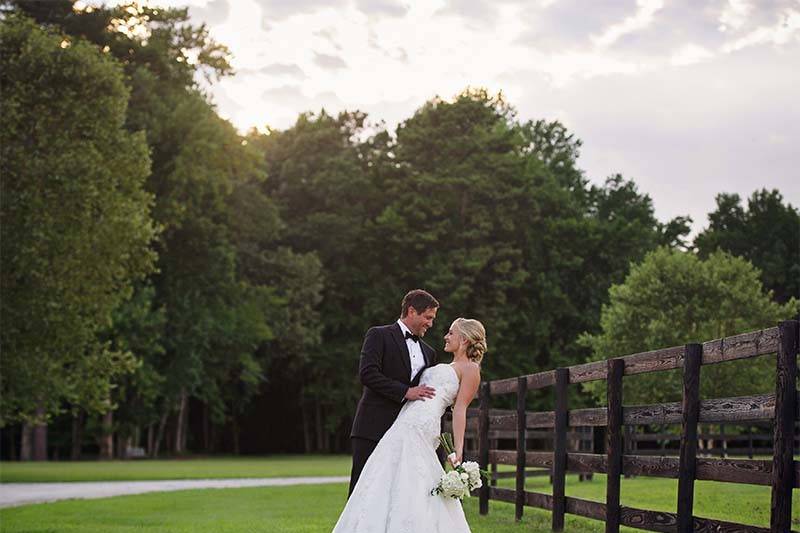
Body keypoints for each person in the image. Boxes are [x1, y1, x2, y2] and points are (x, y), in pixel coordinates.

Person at [332, 317, 485, 533]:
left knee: (415, 478)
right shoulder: (441, 363)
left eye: (451, 333)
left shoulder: (471, 369)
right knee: (384, 474)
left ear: (464, 339)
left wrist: (458, 450)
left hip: (424, 426)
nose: (445, 336)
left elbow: (460, 410)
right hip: (403, 421)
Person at [348, 289, 441, 496]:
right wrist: (405, 391)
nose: (431, 324)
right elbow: (367, 374)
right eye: (428, 317)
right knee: (361, 491)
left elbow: (427, 393)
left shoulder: (429, 353)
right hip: (372, 428)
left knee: (395, 494)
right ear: (411, 311)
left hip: (406, 435)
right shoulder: (378, 334)